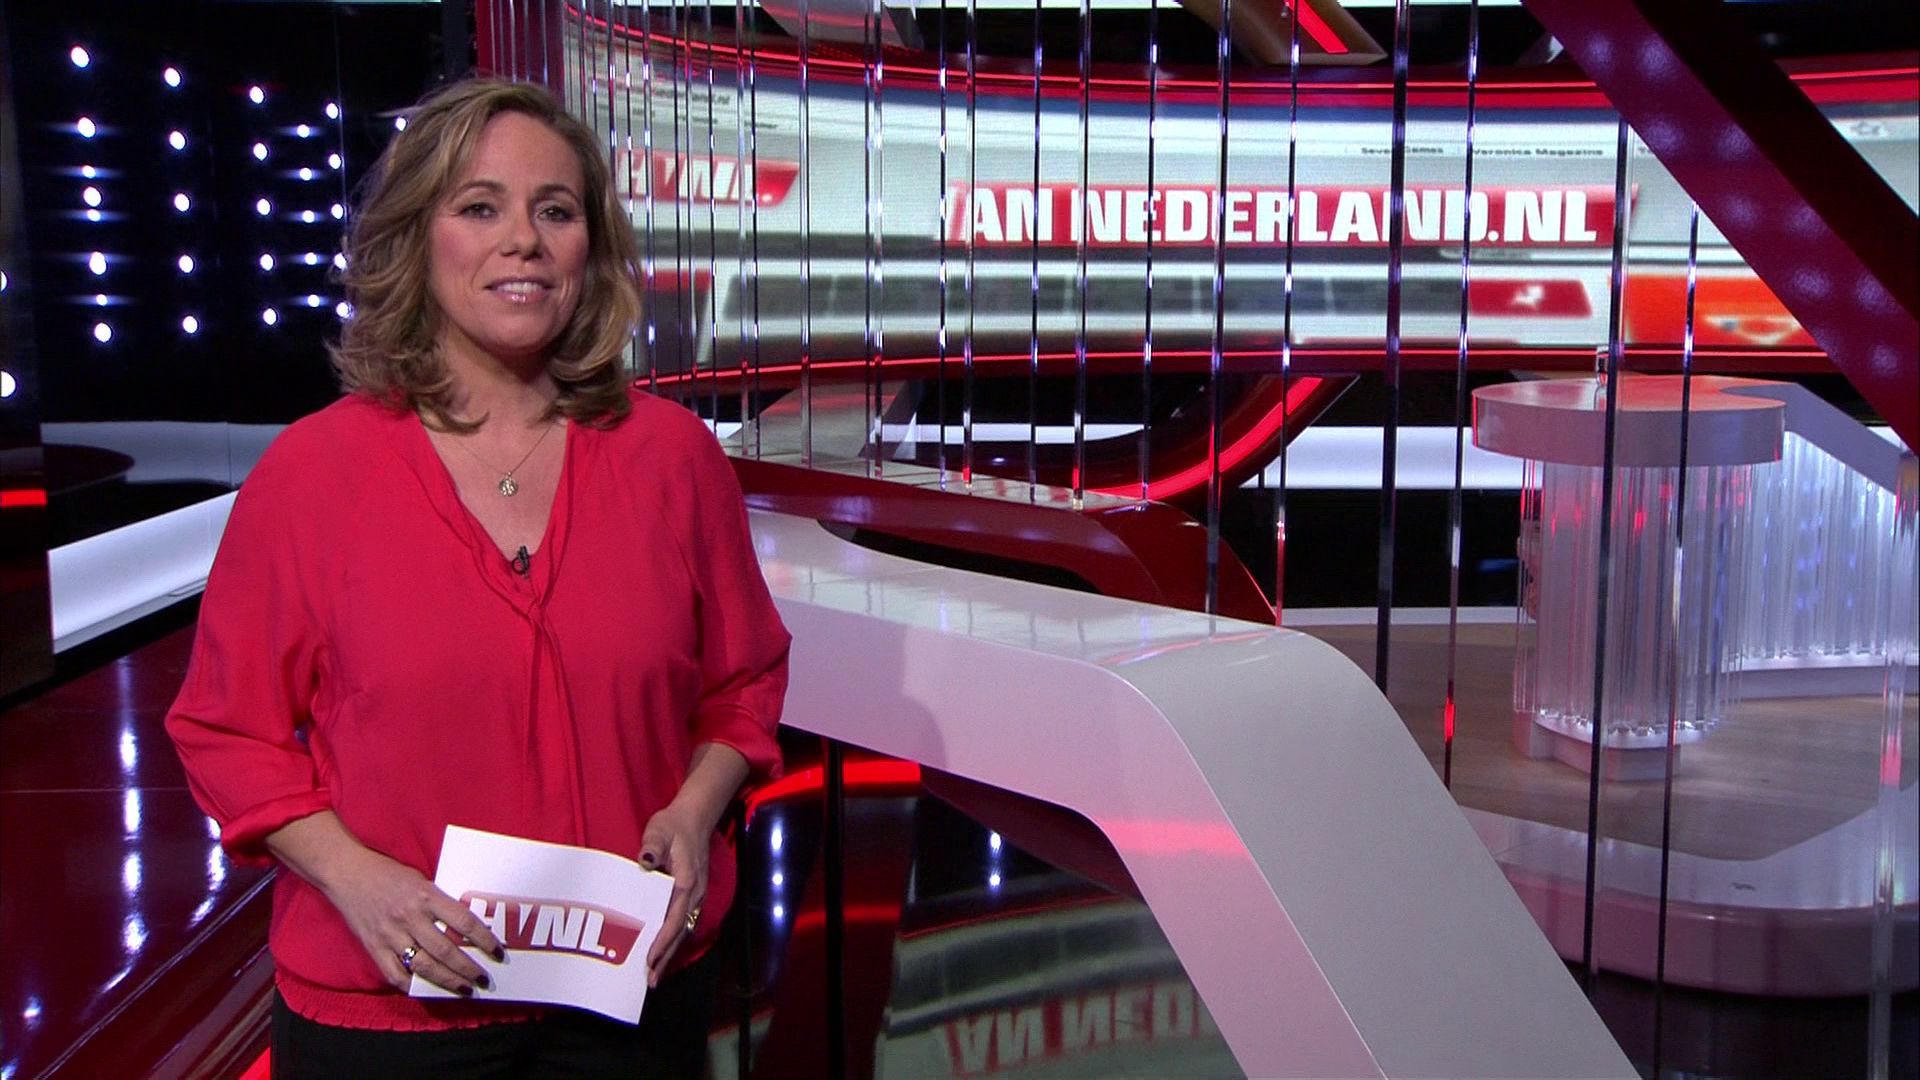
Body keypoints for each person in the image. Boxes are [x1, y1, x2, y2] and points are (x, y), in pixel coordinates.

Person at [164, 78, 790, 1078]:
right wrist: (358, 881)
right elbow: (226, 730)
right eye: (481, 207)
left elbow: (742, 683)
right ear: (418, 239)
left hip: (629, 1004)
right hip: (390, 1019)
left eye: (556, 211)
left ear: (591, 249)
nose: (524, 241)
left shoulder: (673, 459)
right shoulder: (313, 473)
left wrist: (694, 807)